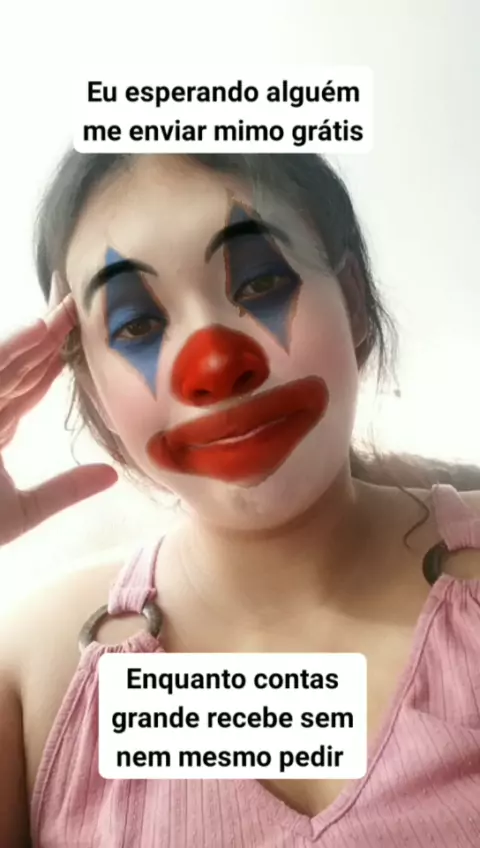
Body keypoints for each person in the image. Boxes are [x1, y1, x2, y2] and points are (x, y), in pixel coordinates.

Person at [0, 152, 479, 848]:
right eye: (136, 326)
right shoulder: (29, 669)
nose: (217, 367)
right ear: (94, 391)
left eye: (260, 282)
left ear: (351, 300)